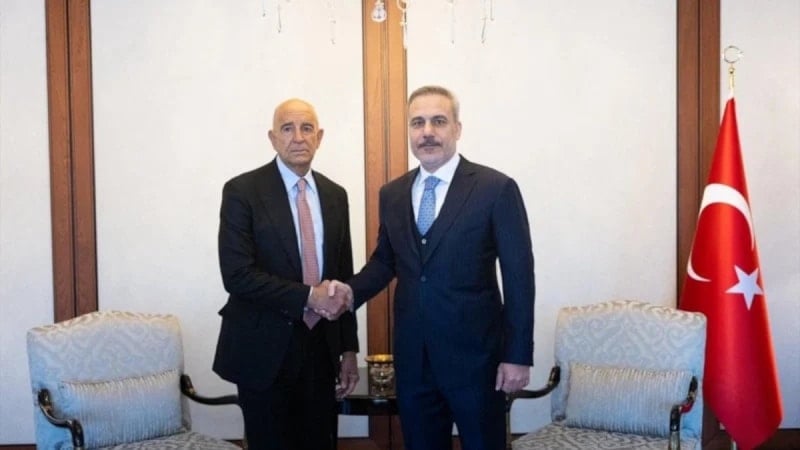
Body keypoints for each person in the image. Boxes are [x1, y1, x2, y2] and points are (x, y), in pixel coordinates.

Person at [334, 85, 535, 450]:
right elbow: (385, 261)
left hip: (478, 362)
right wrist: (349, 292)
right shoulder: (392, 194)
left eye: (438, 121)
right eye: (418, 123)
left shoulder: (496, 189)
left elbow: (519, 278)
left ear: (457, 128)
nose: (427, 132)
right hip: (414, 362)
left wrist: (517, 356)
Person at [212, 98, 359, 450]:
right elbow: (237, 275)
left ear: (319, 137)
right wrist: (309, 296)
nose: (298, 137)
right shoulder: (242, 191)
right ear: (273, 138)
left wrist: (349, 349)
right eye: (288, 128)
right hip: (263, 350)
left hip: (321, 349)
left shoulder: (336, 195)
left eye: (307, 128)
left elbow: (343, 277)